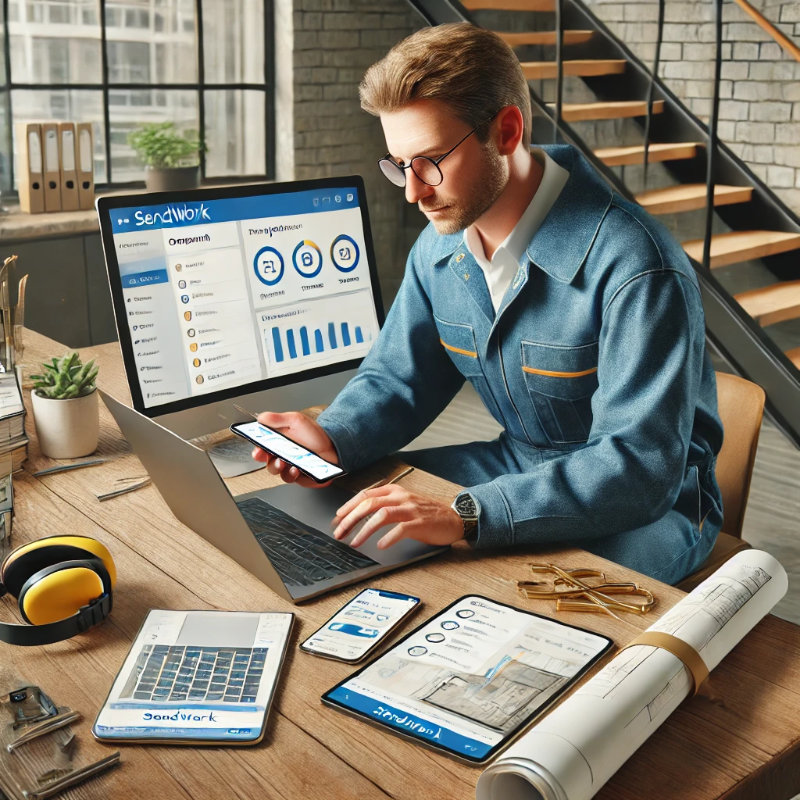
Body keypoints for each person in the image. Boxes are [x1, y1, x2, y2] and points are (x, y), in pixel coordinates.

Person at [253, 22, 724, 585]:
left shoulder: (638, 265)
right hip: (514, 466)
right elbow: (397, 379)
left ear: (505, 130)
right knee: (325, 515)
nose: (412, 191)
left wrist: (467, 514)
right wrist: (333, 436)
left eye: (430, 161)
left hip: (654, 505)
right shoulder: (439, 246)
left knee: (508, 608)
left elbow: (638, 468)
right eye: (399, 165)